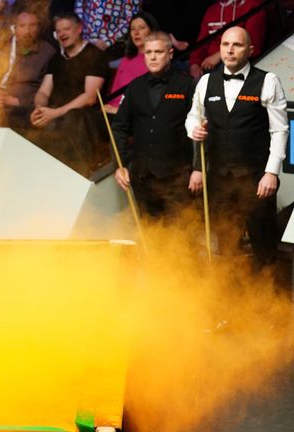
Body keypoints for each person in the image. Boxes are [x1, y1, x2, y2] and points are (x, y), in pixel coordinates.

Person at [186, 26, 289, 269]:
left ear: (250, 50)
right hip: (220, 178)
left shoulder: (267, 81)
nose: (230, 50)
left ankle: (266, 302)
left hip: (256, 179)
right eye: (225, 44)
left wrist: (271, 172)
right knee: (226, 245)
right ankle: (231, 301)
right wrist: (194, 129)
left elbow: (280, 130)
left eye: (237, 45)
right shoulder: (205, 82)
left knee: (264, 247)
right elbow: (193, 116)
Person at [111, 32, 199, 221]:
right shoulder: (135, 87)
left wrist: (198, 169)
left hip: (178, 177)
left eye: (158, 51)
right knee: (151, 236)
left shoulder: (187, 85)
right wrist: (120, 165)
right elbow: (119, 127)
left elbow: (200, 130)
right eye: (148, 52)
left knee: (182, 238)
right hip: (142, 176)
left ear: (170, 53)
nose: (152, 56)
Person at [28, 12, 109, 175]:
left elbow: (90, 97)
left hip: (83, 116)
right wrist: (39, 108)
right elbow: (44, 91)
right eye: (58, 31)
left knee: (73, 118)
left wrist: (54, 113)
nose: (62, 34)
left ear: (79, 29)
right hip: (55, 113)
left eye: (66, 29)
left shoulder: (94, 56)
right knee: (21, 116)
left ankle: (77, 174)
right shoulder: (56, 58)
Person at [0, 7, 55, 129]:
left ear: (39, 28)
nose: (27, 31)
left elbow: (49, 92)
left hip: (27, 109)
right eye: (22, 26)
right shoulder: (4, 49)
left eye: (32, 26)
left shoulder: (48, 52)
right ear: (14, 29)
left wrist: (17, 101)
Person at [188, 0, 265, 79]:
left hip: (232, 62)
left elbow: (252, 45)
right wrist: (194, 64)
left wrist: (220, 55)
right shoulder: (212, 9)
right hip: (207, 64)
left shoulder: (253, 4)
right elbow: (200, 43)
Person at [104, 11, 159, 113]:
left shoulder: (158, 60)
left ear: (152, 31)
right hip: (113, 113)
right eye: (133, 29)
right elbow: (114, 95)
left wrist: (119, 111)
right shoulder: (125, 61)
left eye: (141, 28)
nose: (136, 32)